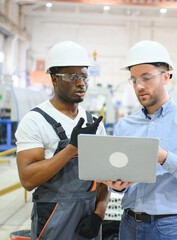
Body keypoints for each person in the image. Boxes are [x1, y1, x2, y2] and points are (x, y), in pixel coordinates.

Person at [102, 40, 177, 240]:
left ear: (166, 77)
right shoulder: (125, 125)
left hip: (169, 227)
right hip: (129, 223)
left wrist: (164, 157)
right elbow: (119, 174)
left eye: (146, 78)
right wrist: (116, 184)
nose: (139, 86)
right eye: (134, 80)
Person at [15, 41, 110, 240]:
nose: (81, 82)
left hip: (88, 217)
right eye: (72, 76)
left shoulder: (94, 123)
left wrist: (99, 214)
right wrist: (71, 149)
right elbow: (28, 179)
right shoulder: (35, 120)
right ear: (54, 79)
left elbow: (104, 180)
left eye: (84, 76)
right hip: (52, 217)